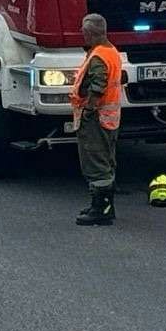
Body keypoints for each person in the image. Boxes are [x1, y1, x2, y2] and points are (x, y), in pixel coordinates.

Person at [67, 13, 123, 227]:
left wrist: (89, 109)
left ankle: (101, 209)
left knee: (95, 163)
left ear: (90, 33)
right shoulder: (111, 52)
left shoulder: (99, 56)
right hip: (109, 119)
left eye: (84, 33)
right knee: (106, 161)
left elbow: (98, 86)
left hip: (96, 119)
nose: (82, 36)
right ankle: (102, 205)